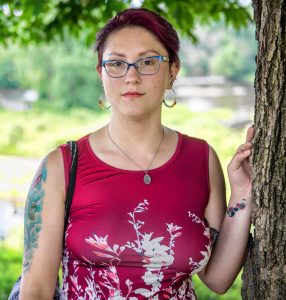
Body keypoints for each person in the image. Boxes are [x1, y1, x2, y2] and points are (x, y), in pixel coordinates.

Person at [19, 7, 254, 300]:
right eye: (116, 63)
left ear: (173, 71)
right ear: (101, 74)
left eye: (147, 62)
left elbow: (218, 278)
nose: (131, 76)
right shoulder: (61, 166)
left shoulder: (202, 159)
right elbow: (36, 292)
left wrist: (243, 193)